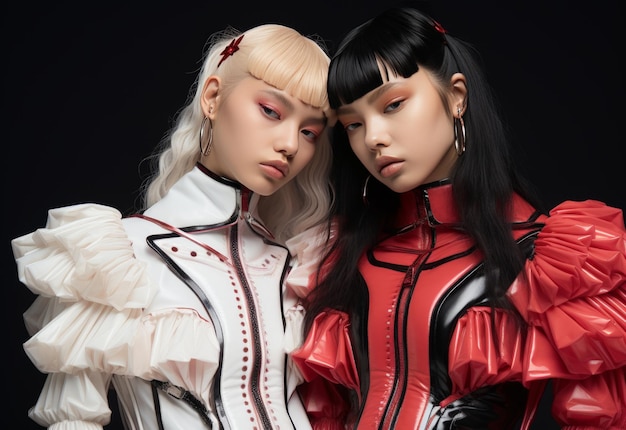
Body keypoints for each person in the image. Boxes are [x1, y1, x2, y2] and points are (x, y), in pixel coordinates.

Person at [291, 6, 626, 430]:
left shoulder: (554, 258)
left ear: (456, 96)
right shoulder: (343, 260)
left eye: (392, 105)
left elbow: (600, 418)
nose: (373, 138)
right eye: (353, 124)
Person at [12, 23, 338, 429]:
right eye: (271, 111)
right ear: (213, 97)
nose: (290, 143)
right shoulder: (116, 256)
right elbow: (72, 419)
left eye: (310, 131)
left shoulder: (294, 265)